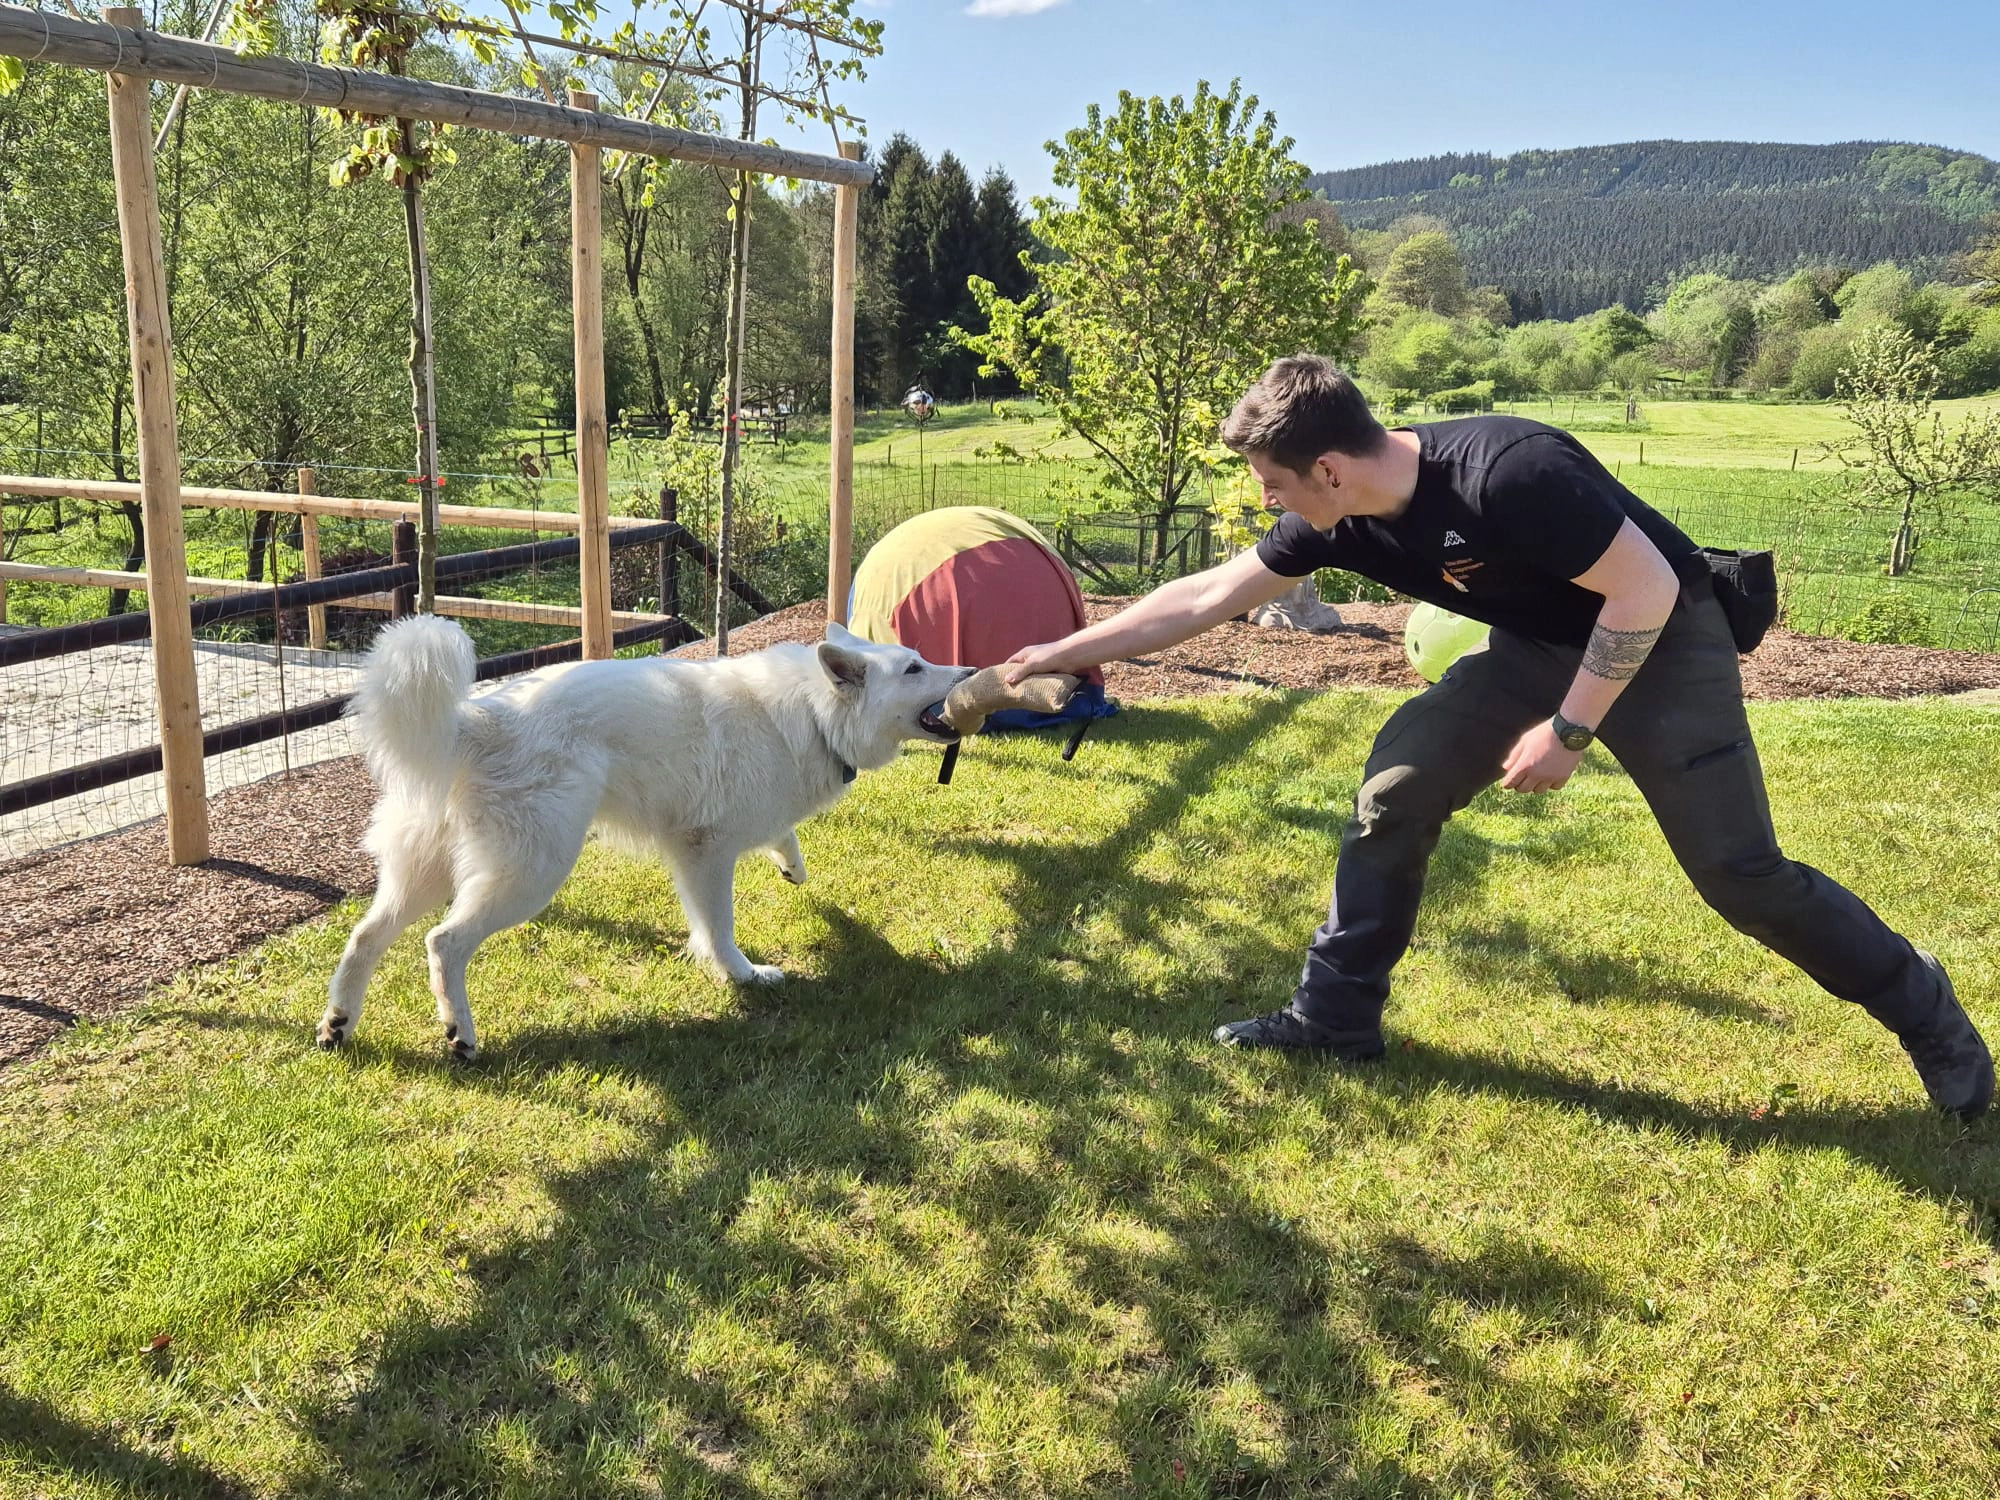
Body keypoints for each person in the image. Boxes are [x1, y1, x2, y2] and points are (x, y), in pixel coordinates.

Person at [1004, 355, 1993, 1120]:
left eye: (1272, 482)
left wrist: (1569, 730)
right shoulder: (1339, 517)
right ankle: (1334, 1017)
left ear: (1329, 469)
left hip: (1660, 639)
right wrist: (1064, 647)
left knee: (1739, 874)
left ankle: (1924, 1013)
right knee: (1395, 793)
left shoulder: (1509, 473)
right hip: (1535, 646)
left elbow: (1644, 590)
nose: (1267, 501)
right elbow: (1207, 596)